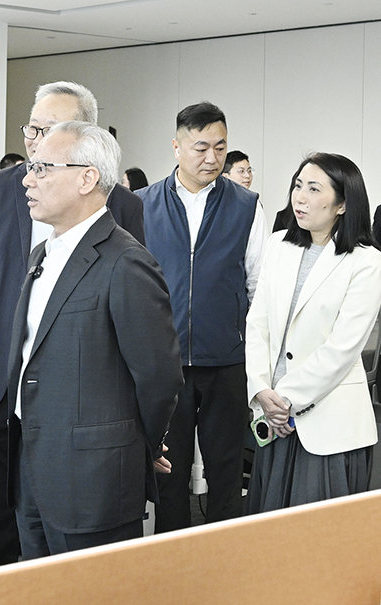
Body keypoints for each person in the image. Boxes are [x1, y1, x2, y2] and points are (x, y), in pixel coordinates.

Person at [0, 81, 146, 569]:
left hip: (73, 397)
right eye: (33, 129)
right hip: (0, 380)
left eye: (52, 130)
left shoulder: (123, 206)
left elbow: (133, 315)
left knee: (55, 526)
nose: (37, 143)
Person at [9, 121, 182, 557]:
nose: (28, 180)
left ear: (87, 178)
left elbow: (159, 377)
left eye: (42, 168)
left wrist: (139, 446)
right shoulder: (43, 255)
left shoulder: (125, 263)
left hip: (94, 479)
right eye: (31, 168)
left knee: (94, 589)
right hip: (34, 466)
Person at [138, 101, 267, 532]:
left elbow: (257, 286)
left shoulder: (246, 206)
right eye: (200, 148)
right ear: (177, 147)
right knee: (168, 473)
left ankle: (227, 558)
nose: (212, 158)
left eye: (220, 147)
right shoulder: (142, 205)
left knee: (226, 470)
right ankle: (172, 559)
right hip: (164, 363)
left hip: (226, 360)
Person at [245, 153, 381, 513]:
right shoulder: (278, 245)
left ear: (342, 204)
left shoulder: (366, 261)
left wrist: (283, 399)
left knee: (318, 537)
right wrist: (260, 390)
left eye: (314, 189)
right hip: (274, 418)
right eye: (298, 186)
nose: (300, 197)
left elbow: (342, 349)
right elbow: (257, 323)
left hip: (326, 424)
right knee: (269, 530)